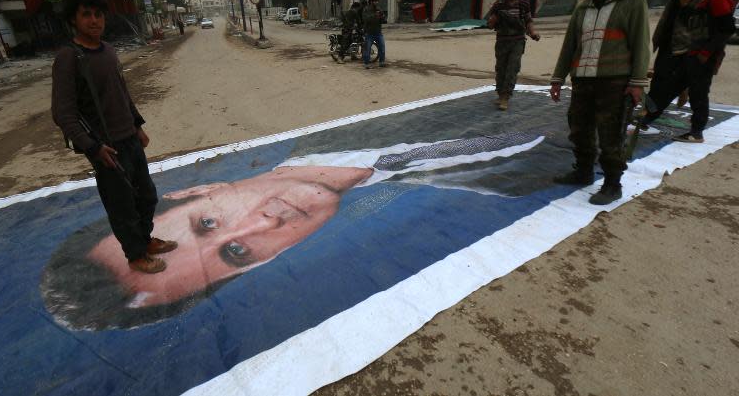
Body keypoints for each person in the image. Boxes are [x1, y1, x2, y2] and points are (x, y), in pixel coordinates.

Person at [42, 132, 544, 328]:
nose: (265, 224)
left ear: (190, 192)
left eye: (209, 223)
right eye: (236, 253)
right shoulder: (476, 189)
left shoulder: (340, 137)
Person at [51, 0, 178, 274]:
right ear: (73, 19)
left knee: (146, 196)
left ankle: (145, 241)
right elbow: (63, 113)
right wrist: (92, 147)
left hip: (129, 138)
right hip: (104, 146)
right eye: (86, 15)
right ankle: (135, 256)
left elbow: (121, 94)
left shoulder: (108, 51)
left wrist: (137, 125)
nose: (94, 20)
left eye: (98, 14)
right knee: (122, 206)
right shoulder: (69, 58)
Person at [549, 0, 650, 205]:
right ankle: (582, 172)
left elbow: (641, 43)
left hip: (614, 83)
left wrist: (637, 82)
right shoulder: (583, 8)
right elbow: (570, 45)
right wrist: (557, 78)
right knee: (579, 129)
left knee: (611, 135)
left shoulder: (632, 0)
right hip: (583, 81)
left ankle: (612, 184)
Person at [641, 0, 736, 143]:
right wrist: (685, 7)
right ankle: (645, 119)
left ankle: (696, 132)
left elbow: (726, 29)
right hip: (692, 53)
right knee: (669, 88)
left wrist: (706, 53)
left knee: (698, 93)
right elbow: (693, 22)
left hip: (701, 56)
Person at [650, 0, 702, 110]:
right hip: (667, 41)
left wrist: (686, 5)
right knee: (658, 78)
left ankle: (649, 113)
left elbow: (695, 23)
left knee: (668, 82)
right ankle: (648, 111)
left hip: (682, 45)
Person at [487, 0, 540, 111]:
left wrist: (533, 33)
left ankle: (505, 97)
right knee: (501, 69)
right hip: (502, 41)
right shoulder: (499, 4)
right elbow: (490, 24)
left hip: (517, 40)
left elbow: (528, 20)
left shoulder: (523, 2)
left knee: (513, 68)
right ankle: (500, 93)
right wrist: (496, 16)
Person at [362, 0, 386, 69]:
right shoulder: (366, 9)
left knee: (382, 47)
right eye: (375, 1)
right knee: (367, 49)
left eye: (377, 1)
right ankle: (366, 63)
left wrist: (382, 17)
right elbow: (366, 19)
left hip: (378, 32)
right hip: (369, 33)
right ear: (371, 2)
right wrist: (374, 15)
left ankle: (382, 62)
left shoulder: (379, 9)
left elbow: (383, 21)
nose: (376, 2)